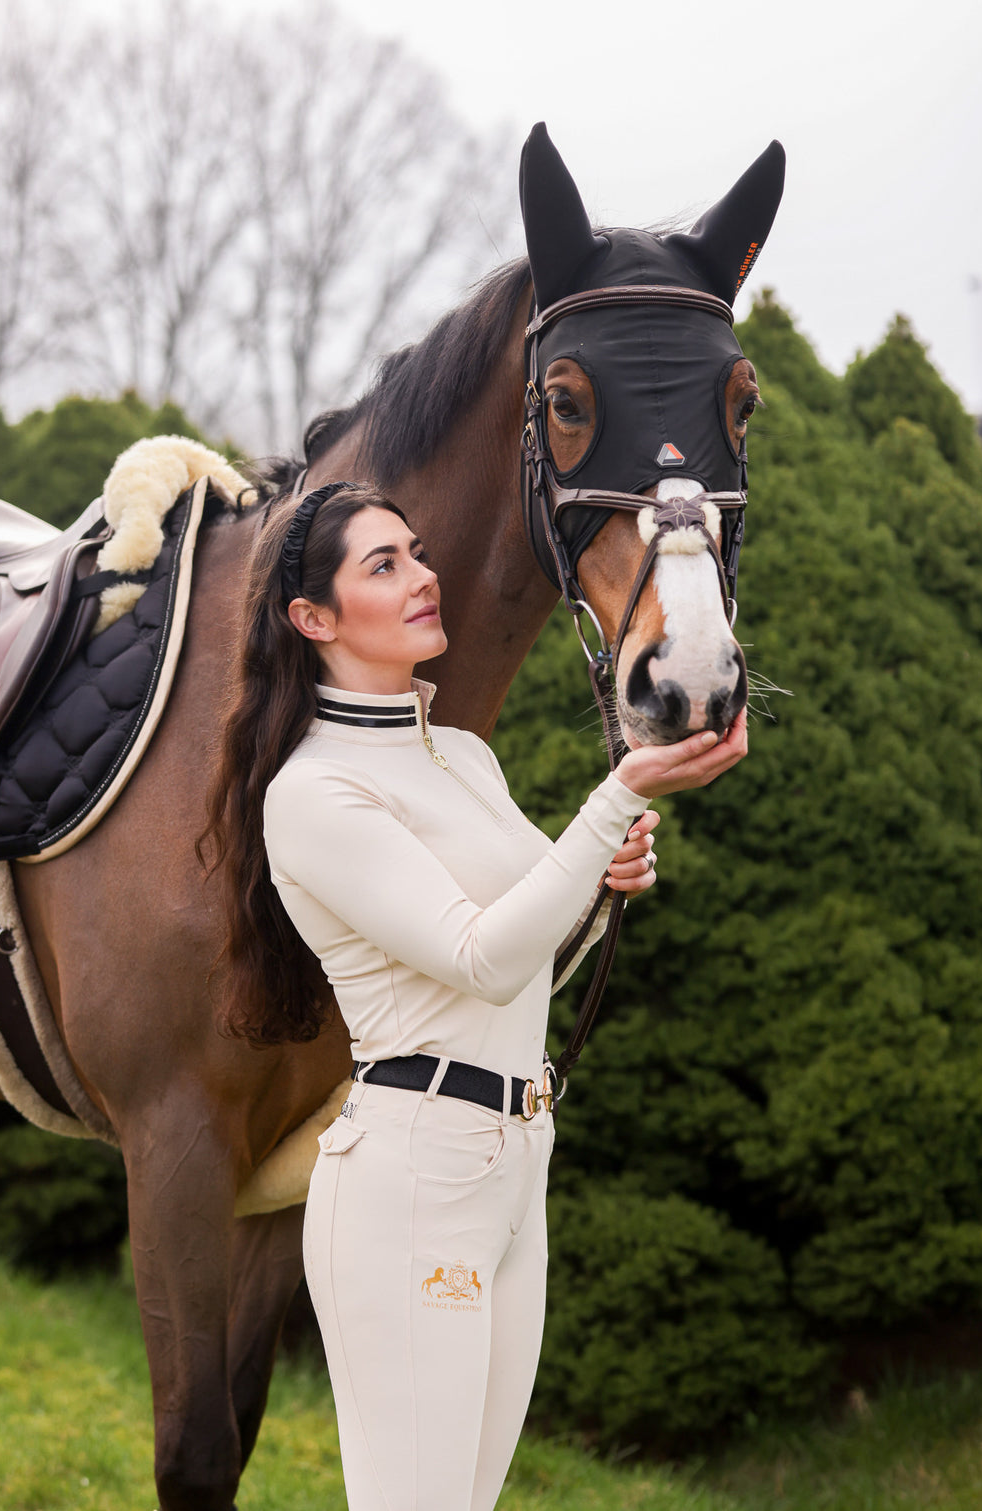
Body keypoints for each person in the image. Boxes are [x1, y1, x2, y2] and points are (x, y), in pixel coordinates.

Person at [205, 481, 747, 1511]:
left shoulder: (462, 754)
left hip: (512, 1170)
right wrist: (618, 794)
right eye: (384, 564)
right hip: (412, 1181)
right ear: (312, 620)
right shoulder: (313, 791)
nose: (422, 575)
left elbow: (532, 957)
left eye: (415, 551)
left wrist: (601, 880)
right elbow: (479, 956)